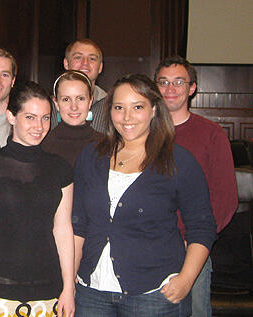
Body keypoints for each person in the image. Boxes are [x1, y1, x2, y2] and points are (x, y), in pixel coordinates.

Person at [73, 74, 217, 317]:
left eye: (137, 107)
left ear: (153, 110)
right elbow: (79, 225)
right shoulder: (91, 156)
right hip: (92, 293)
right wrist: (71, 280)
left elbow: (202, 226)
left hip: (154, 294)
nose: (127, 117)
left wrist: (185, 280)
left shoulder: (178, 160)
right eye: (119, 108)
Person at [0, 81, 75, 317]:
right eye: (30, 117)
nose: (39, 126)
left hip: (50, 289)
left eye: (45, 118)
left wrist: (69, 288)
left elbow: (63, 230)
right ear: (11, 117)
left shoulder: (60, 168)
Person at [154, 56, 238, 317]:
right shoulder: (141, 132)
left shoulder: (212, 134)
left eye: (178, 82)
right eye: (163, 82)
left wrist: (196, 242)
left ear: (192, 88)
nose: (170, 89)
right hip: (147, 245)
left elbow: (225, 198)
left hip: (190, 248)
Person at [42, 70, 101, 166]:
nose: (74, 107)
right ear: (56, 104)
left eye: (80, 98)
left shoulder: (105, 145)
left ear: (90, 102)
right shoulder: (44, 146)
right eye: (66, 99)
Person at [51, 39, 107, 133]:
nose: (85, 63)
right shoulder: (47, 106)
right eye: (78, 57)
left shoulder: (112, 105)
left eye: (92, 58)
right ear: (66, 63)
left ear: (100, 67)